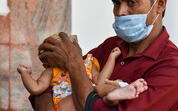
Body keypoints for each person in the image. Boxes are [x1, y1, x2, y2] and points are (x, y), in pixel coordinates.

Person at [33, 0, 178, 110]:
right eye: (116, 3)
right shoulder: (111, 46)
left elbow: (76, 73)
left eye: (131, 2)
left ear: (160, 4)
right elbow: (47, 87)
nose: (121, 12)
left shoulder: (174, 70)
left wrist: (73, 62)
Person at [18, 36, 148, 111]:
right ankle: (112, 95)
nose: (66, 51)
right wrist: (25, 73)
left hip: (90, 96)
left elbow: (99, 80)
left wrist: (111, 58)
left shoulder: (88, 63)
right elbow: (36, 88)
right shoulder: (52, 71)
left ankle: (115, 95)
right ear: (47, 63)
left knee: (99, 88)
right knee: (91, 92)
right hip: (65, 104)